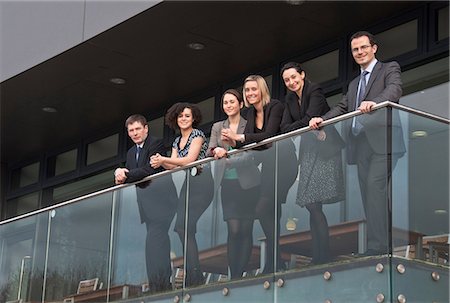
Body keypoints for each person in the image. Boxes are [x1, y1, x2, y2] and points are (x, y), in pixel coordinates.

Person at [309, 31, 406, 255]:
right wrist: (322, 119)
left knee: (374, 188)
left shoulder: (389, 68)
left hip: (385, 142)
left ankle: (378, 247)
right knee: (370, 194)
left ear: (374, 48)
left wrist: (375, 102)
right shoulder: (354, 84)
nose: (360, 52)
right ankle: (382, 245)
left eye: (363, 47)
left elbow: (395, 89)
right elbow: (343, 107)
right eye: (355, 49)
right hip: (361, 145)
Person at [221, 75, 297, 274]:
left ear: (262, 90)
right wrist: (229, 152)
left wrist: (240, 138)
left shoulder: (275, 106)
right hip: (269, 165)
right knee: (268, 212)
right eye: (247, 90)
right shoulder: (250, 113)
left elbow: (269, 137)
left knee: (264, 208)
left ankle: (275, 261)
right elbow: (252, 146)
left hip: (285, 163)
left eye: (254, 89)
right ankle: (275, 262)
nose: (250, 93)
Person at [280, 62, 345, 264]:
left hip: (324, 149)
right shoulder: (289, 98)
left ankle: (322, 254)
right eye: (287, 80)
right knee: (311, 204)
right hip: (308, 151)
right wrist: (301, 126)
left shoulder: (314, 89)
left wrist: (298, 125)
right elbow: (284, 128)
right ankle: (320, 253)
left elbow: (310, 117)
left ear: (302, 75)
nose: (291, 82)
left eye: (294, 77)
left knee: (314, 203)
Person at [150, 102, 214, 286]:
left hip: (202, 181)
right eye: (180, 116)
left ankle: (195, 275)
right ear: (175, 119)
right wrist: (160, 161)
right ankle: (194, 273)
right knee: (181, 227)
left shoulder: (198, 135)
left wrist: (165, 159)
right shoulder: (177, 141)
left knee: (187, 225)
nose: (184, 119)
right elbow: (174, 166)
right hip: (189, 183)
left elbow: (189, 160)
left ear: (194, 118)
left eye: (187, 116)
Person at [114, 114, 177, 292]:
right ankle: (160, 284)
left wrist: (126, 174)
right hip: (147, 207)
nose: (135, 133)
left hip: (163, 203)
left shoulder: (155, 143)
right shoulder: (131, 153)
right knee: (157, 245)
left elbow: (149, 169)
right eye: (131, 130)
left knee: (154, 244)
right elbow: (132, 176)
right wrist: (120, 174)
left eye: (137, 129)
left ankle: (160, 285)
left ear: (146, 128)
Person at [208, 89, 261, 279]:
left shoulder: (250, 124)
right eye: (225, 103)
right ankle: (234, 274)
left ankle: (241, 273)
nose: (228, 105)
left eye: (232, 102)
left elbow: (254, 154)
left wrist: (229, 158)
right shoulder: (217, 126)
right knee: (234, 229)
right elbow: (210, 150)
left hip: (249, 184)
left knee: (246, 229)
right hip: (227, 185)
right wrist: (216, 152)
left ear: (240, 104)